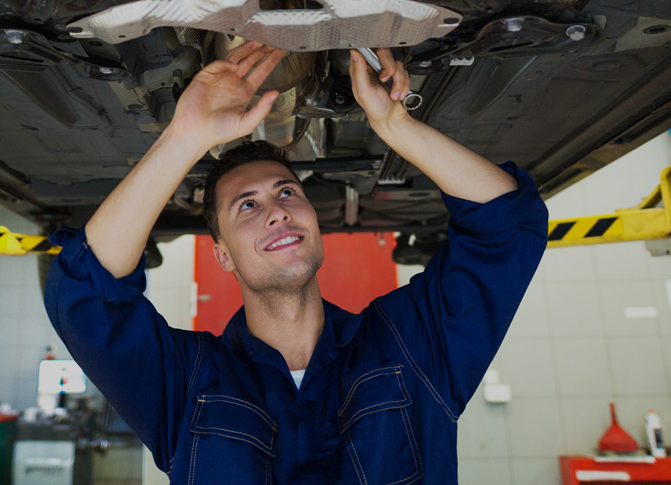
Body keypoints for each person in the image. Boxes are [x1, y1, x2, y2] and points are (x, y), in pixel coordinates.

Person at [43, 41, 548, 484]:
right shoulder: (187, 385)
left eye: (287, 192)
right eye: (248, 205)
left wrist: (396, 125)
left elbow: (510, 225)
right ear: (222, 254)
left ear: (312, 219)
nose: (277, 209)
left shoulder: (412, 346)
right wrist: (183, 139)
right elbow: (87, 300)